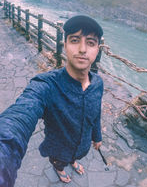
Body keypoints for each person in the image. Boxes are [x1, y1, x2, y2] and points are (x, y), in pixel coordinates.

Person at [0, 15, 104, 186]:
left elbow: (96, 113)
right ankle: (60, 170)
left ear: (97, 49)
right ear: (65, 45)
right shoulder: (46, 85)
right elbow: (21, 114)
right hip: (58, 149)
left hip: (83, 146)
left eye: (91, 43)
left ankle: (73, 161)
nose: (83, 49)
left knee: (74, 157)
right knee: (59, 162)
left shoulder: (98, 83)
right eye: (75, 40)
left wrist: (97, 136)